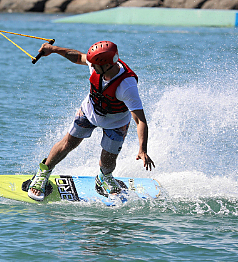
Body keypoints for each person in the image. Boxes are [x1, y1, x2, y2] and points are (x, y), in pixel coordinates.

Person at [28, 41, 155, 201]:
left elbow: (140, 121)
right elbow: (79, 57)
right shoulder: (99, 62)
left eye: (95, 66)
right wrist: (53, 49)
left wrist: (142, 150)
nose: (91, 67)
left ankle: (104, 177)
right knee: (68, 143)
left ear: (108, 65)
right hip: (89, 111)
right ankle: (43, 172)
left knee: (108, 159)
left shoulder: (127, 86)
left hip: (116, 121)